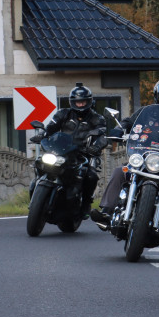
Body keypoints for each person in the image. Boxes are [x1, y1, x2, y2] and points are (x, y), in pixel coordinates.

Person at [92, 78, 159, 226]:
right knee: (120, 171)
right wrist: (119, 129)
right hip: (144, 158)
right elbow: (129, 122)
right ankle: (107, 212)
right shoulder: (146, 113)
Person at [35, 83, 108, 217]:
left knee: (91, 176)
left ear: (89, 102)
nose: (80, 105)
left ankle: (86, 202)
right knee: (40, 162)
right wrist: (42, 135)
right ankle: (38, 193)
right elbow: (51, 127)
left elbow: (102, 135)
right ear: (72, 102)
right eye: (78, 102)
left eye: (83, 102)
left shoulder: (97, 118)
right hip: (63, 151)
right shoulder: (63, 114)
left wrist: (96, 146)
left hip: (85, 153)